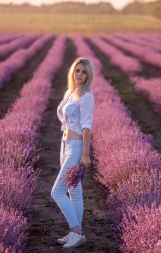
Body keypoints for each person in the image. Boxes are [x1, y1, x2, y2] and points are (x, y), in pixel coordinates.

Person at [51, 57, 95, 249]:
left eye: (84, 72)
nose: (79, 74)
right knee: (73, 190)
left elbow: (86, 128)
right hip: (65, 144)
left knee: (57, 191)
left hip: (76, 147)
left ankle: (76, 231)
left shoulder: (86, 97)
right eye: (77, 70)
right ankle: (75, 233)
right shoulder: (70, 92)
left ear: (88, 76)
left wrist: (85, 155)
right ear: (72, 71)